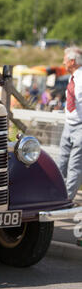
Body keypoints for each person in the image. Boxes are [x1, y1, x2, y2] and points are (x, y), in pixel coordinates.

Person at [58, 46, 82, 201]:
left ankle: (66, 200)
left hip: (80, 127)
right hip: (69, 125)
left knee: (74, 166)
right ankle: (57, 195)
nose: (63, 62)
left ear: (72, 61)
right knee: (61, 162)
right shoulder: (71, 78)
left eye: (65, 60)